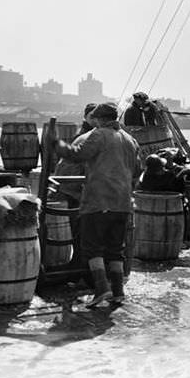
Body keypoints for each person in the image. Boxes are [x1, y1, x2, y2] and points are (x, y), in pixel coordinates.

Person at [49, 102, 141, 307]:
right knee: (115, 250)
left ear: (100, 119)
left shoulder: (99, 135)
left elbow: (76, 155)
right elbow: (137, 170)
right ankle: (118, 291)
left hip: (98, 202)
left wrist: (56, 143)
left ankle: (101, 290)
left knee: (92, 249)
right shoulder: (130, 140)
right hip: (123, 205)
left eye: (97, 119)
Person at [51, 103, 97, 208]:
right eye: (92, 116)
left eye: (97, 117)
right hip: (72, 187)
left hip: (71, 184)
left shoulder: (92, 135)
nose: (95, 120)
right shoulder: (86, 137)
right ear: (85, 117)